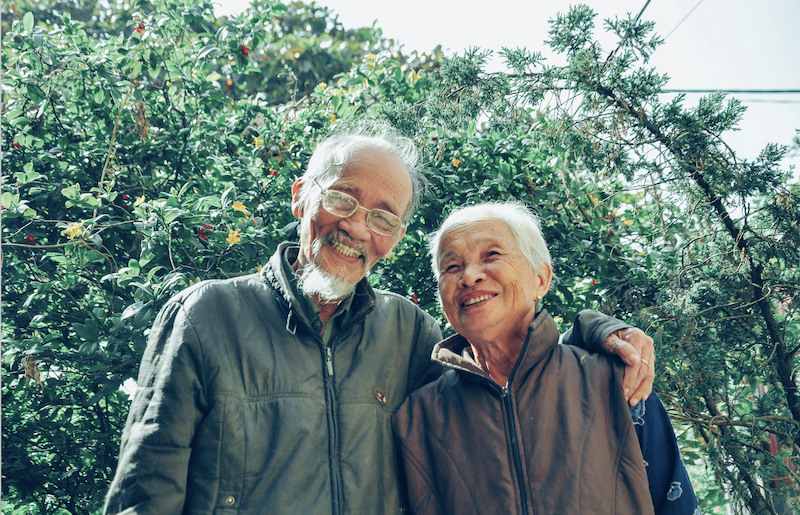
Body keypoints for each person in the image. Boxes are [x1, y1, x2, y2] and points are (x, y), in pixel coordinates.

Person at [104, 122, 656, 515]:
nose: (358, 229)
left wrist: (598, 331)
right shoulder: (208, 315)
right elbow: (144, 492)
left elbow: (504, 377)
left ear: (394, 238)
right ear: (301, 198)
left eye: (383, 217)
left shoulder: (410, 332)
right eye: (342, 200)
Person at [393, 201, 699, 515]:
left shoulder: (615, 381)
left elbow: (676, 503)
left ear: (541, 279)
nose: (469, 277)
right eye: (452, 266)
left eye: (492, 255)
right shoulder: (417, 417)